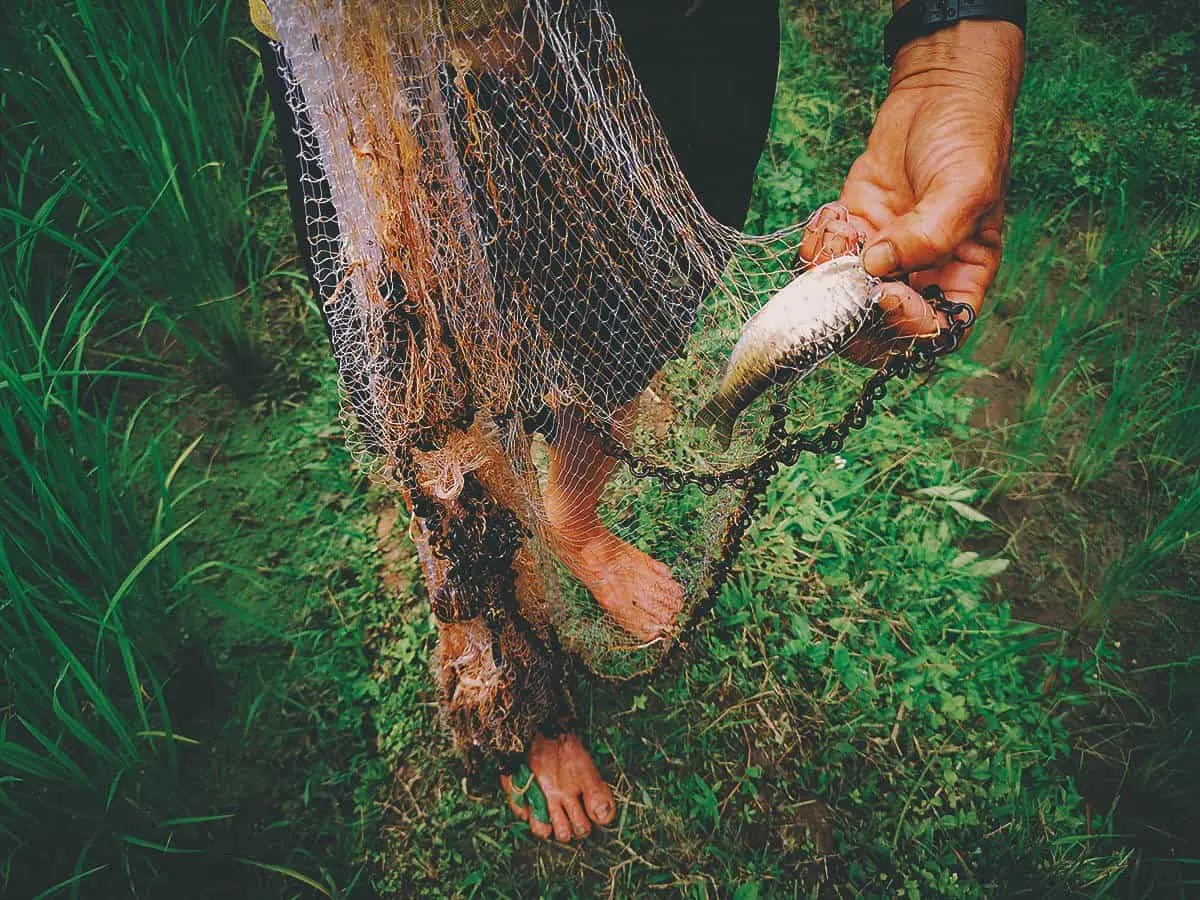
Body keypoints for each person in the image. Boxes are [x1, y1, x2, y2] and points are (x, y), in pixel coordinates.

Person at [253, 0, 1024, 842]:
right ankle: (523, 691)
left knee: (635, 313)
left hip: (676, 28)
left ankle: (572, 516)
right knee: (438, 389)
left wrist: (950, 47)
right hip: (388, 52)